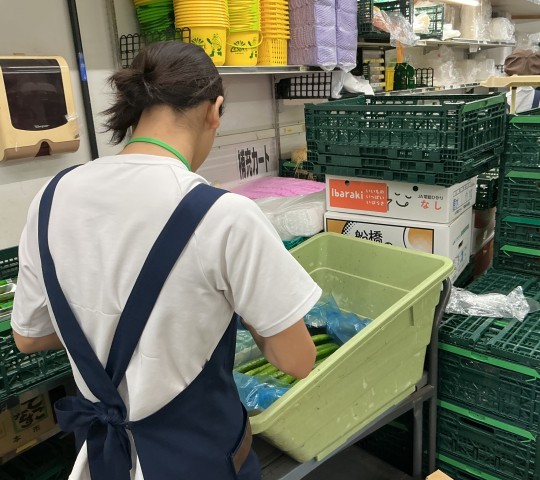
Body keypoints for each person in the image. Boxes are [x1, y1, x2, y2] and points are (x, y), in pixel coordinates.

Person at [11, 41, 321, 480]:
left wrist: (104, 326)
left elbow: (28, 336)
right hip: (199, 460)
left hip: (104, 458)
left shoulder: (51, 196)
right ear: (215, 111)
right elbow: (297, 361)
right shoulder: (223, 215)